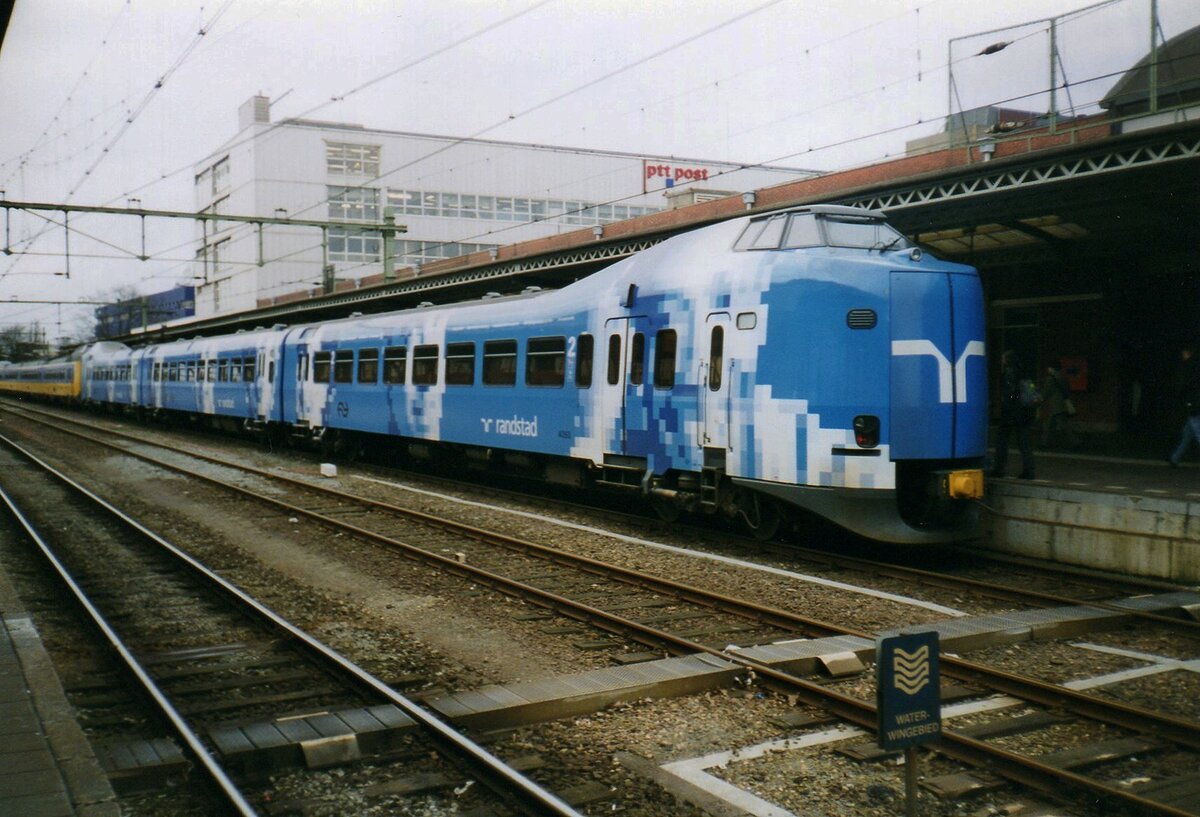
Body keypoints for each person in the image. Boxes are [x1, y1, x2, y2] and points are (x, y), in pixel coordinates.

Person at [992, 350, 1036, 479]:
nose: (1002, 361)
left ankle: (999, 468)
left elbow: (1010, 394)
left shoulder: (1009, 373)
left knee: (1001, 441)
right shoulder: (1024, 372)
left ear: (1007, 360)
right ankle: (1029, 470)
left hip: (1011, 413)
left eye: (1003, 359)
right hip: (1024, 412)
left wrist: (1008, 402)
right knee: (1024, 443)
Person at [1167, 345, 1200, 467]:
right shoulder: (1194, 365)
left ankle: (1174, 458)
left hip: (1193, 404)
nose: (1182, 355)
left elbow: (1187, 385)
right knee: (1187, 434)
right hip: (1194, 403)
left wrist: (1182, 398)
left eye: (1184, 353)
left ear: (1187, 353)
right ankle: (1174, 458)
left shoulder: (1189, 366)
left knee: (1197, 432)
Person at [1039, 365, 1077, 448]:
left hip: (1056, 405)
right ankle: (1045, 442)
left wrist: (1039, 398)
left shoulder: (1051, 378)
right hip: (1063, 403)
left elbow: (1047, 391)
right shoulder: (1063, 377)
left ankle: (1075, 442)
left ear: (1051, 368)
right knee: (1051, 425)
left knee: (1062, 425)